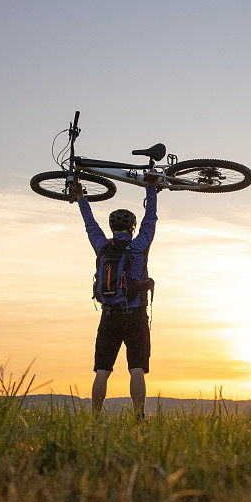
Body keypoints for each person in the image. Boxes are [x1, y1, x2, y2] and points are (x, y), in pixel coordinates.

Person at [74, 178, 159, 416]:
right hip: (136, 315)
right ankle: (139, 416)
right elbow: (150, 220)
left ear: (112, 228)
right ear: (132, 227)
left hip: (109, 315)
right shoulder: (139, 245)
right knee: (137, 369)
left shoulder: (102, 246)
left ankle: (95, 416)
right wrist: (150, 189)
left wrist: (81, 197)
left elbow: (89, 224)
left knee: (102, 369)